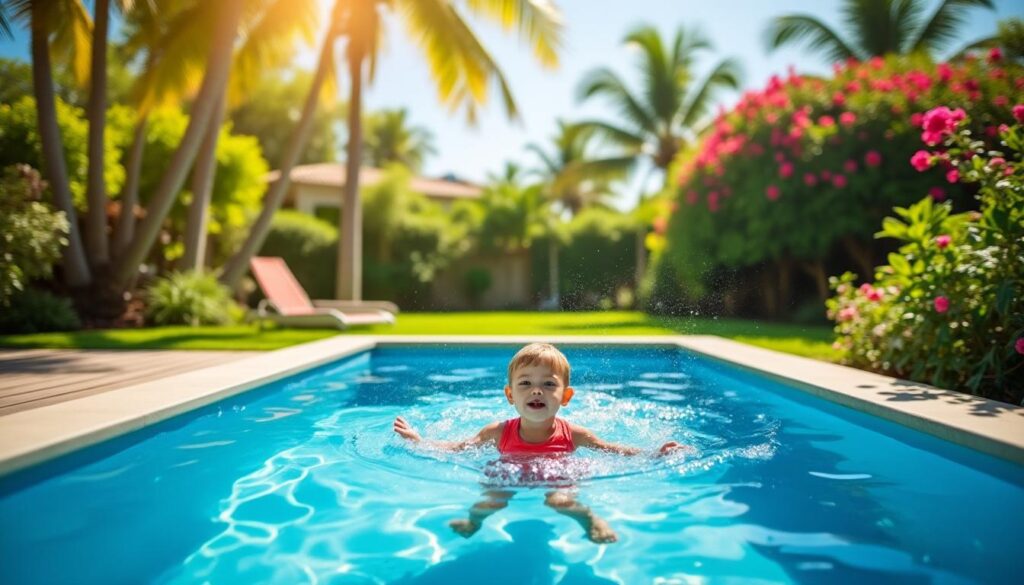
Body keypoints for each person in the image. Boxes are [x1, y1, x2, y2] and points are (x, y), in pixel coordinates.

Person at [393, 342, 686, 543]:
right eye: (525, 384)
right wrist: (420, 441)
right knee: (490, 501)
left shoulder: (575, 434)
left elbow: (615, 450)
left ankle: (591, 522)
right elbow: (458, 448)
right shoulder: (496, 431)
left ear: (566, 396)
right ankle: (473, 523)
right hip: (508, 476)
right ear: (510, 395)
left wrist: (654, 453)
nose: (536, 391)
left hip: (557, 477)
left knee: (560, 500)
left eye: (548, 384)